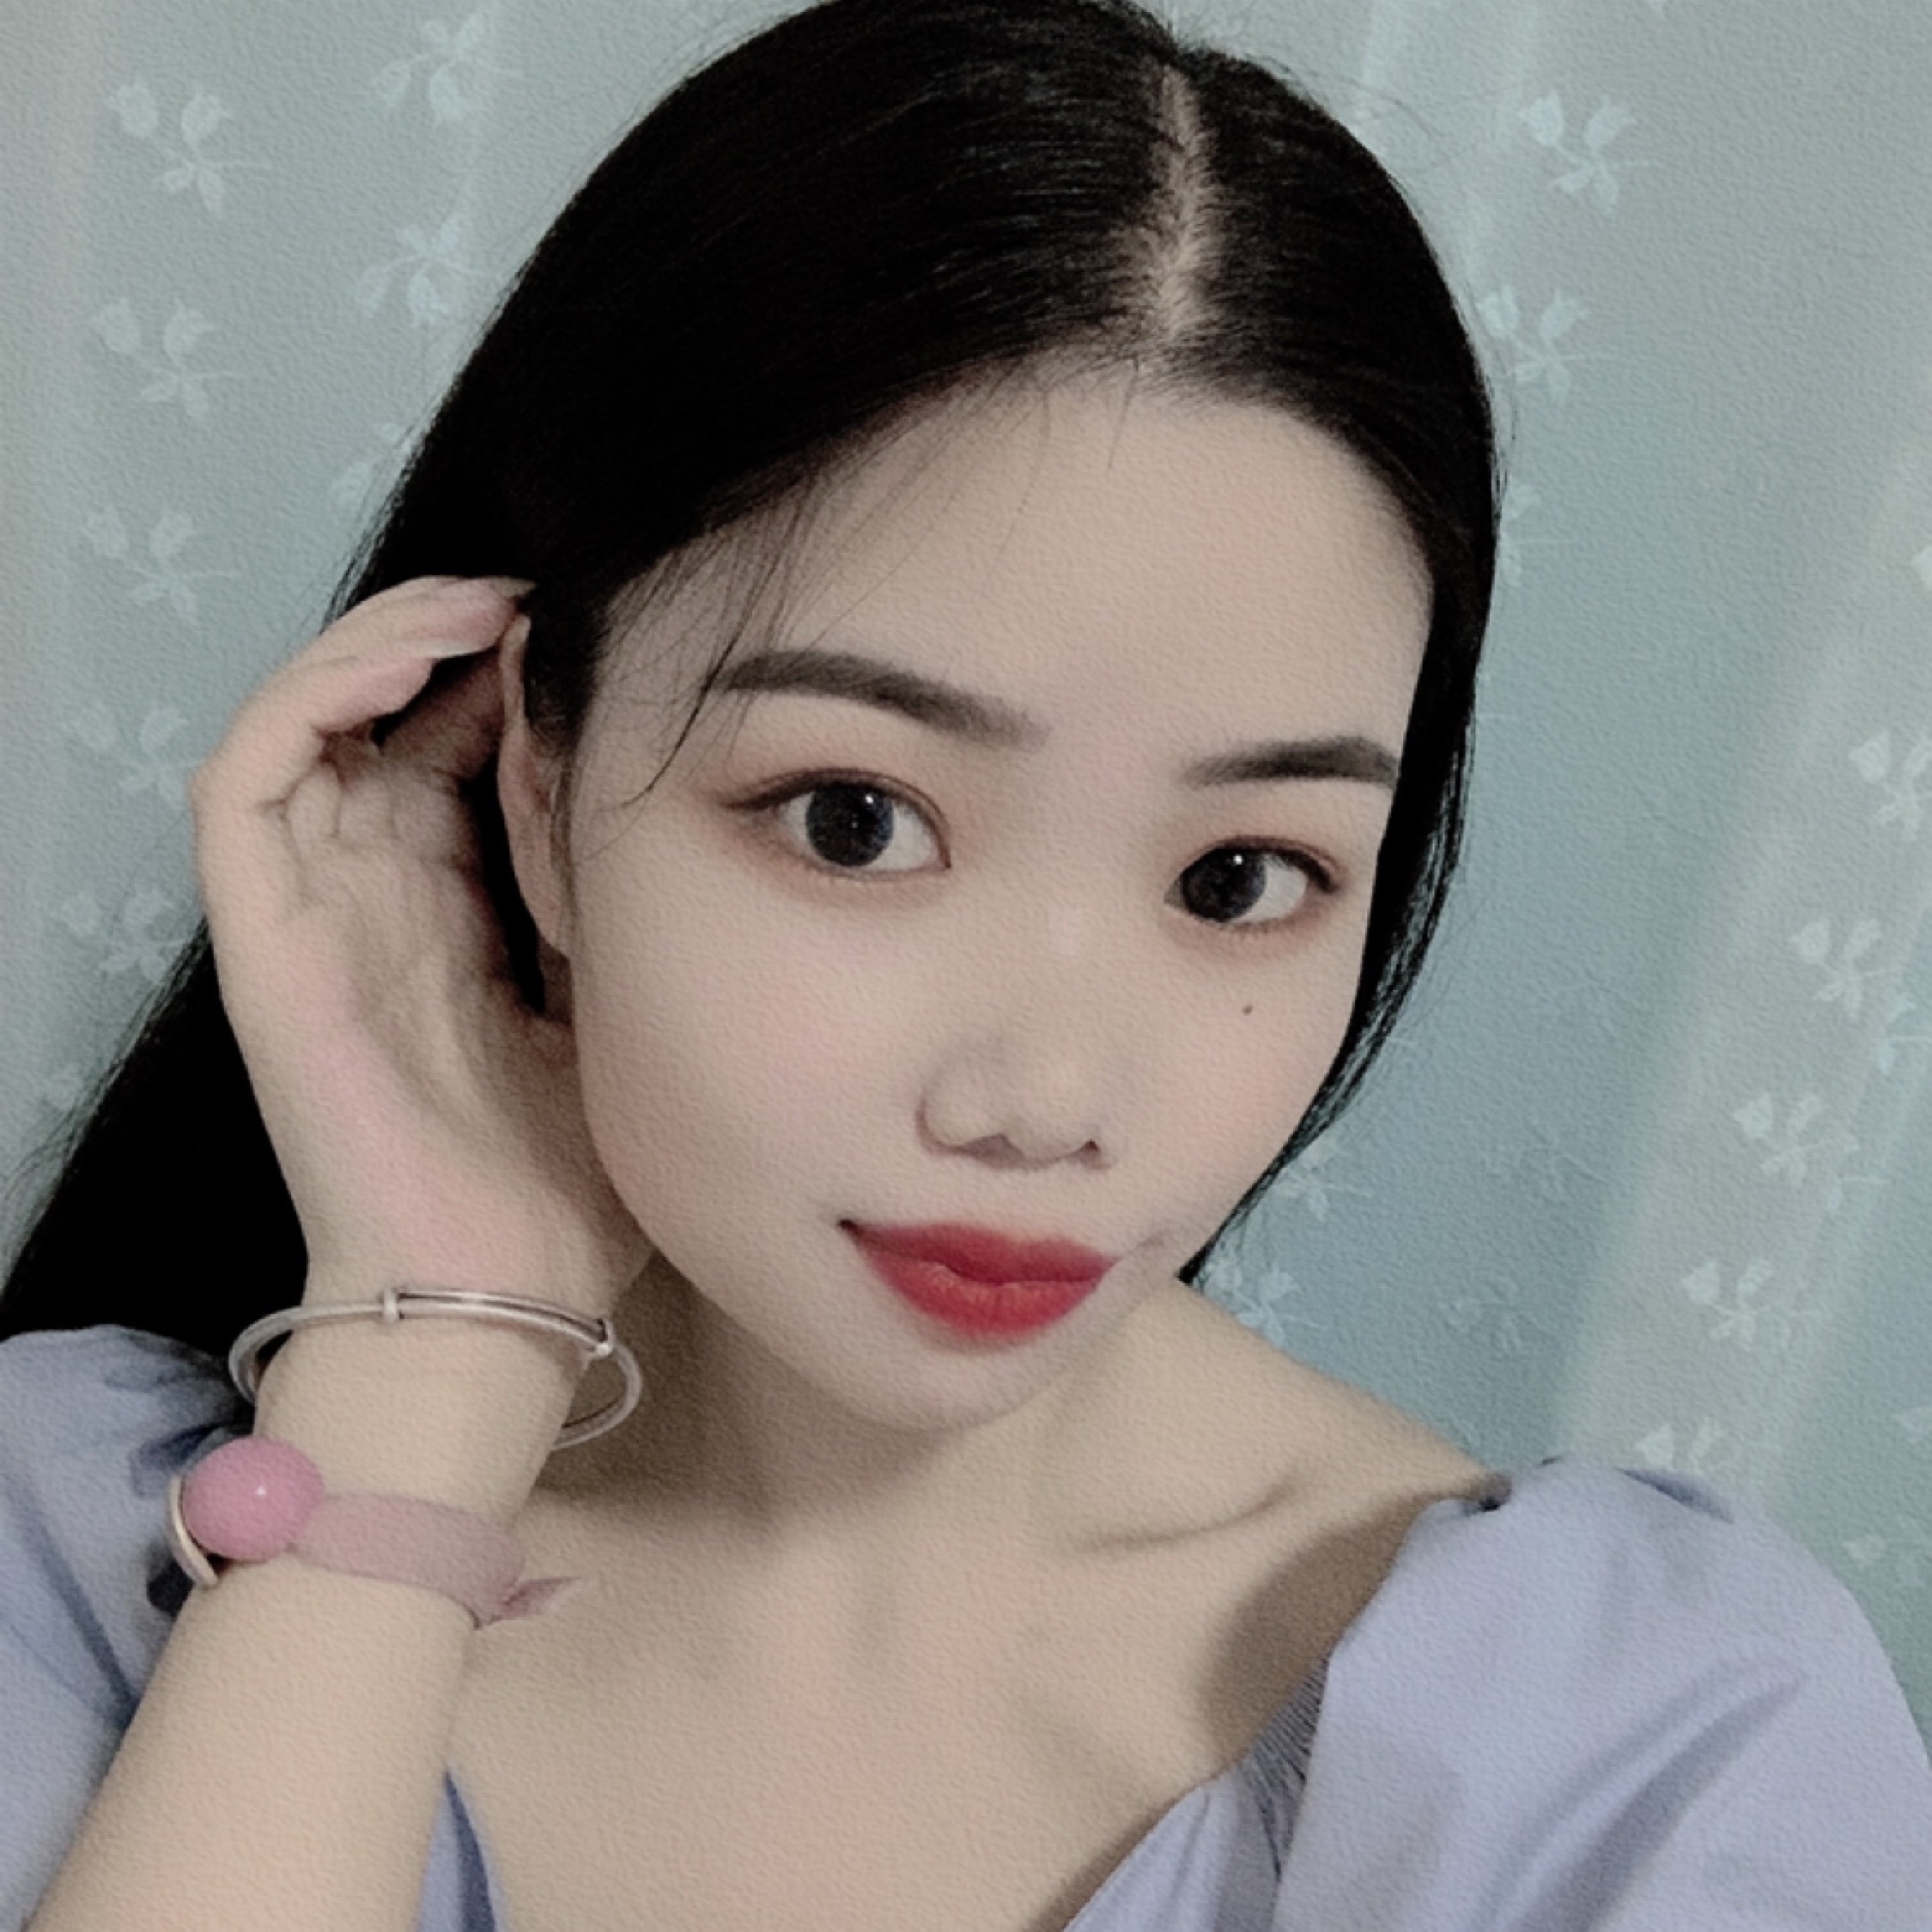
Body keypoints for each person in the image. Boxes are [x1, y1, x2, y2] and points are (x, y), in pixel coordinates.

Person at [3, 0, 1929, 1925]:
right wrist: (425, 1367)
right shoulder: (75, 1564)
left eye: (1242, 875)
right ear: (532, 781)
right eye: (855, 820)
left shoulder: (1647, 1759)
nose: (1046, 1101)